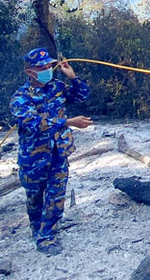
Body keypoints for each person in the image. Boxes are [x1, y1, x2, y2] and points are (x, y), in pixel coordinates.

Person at [9, 48, 93, 256]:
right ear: (30, 72)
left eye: (49, 65)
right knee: (35, 197)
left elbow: (82, 95)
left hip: (59, 152)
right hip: (34, 157)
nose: (48, 69)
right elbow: (34, 123)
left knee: (56, 196)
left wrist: (73, 77)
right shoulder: (20, 98)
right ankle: (37, 229)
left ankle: (48, 236)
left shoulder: (56, 87)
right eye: (42, 67)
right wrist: (69, 122)